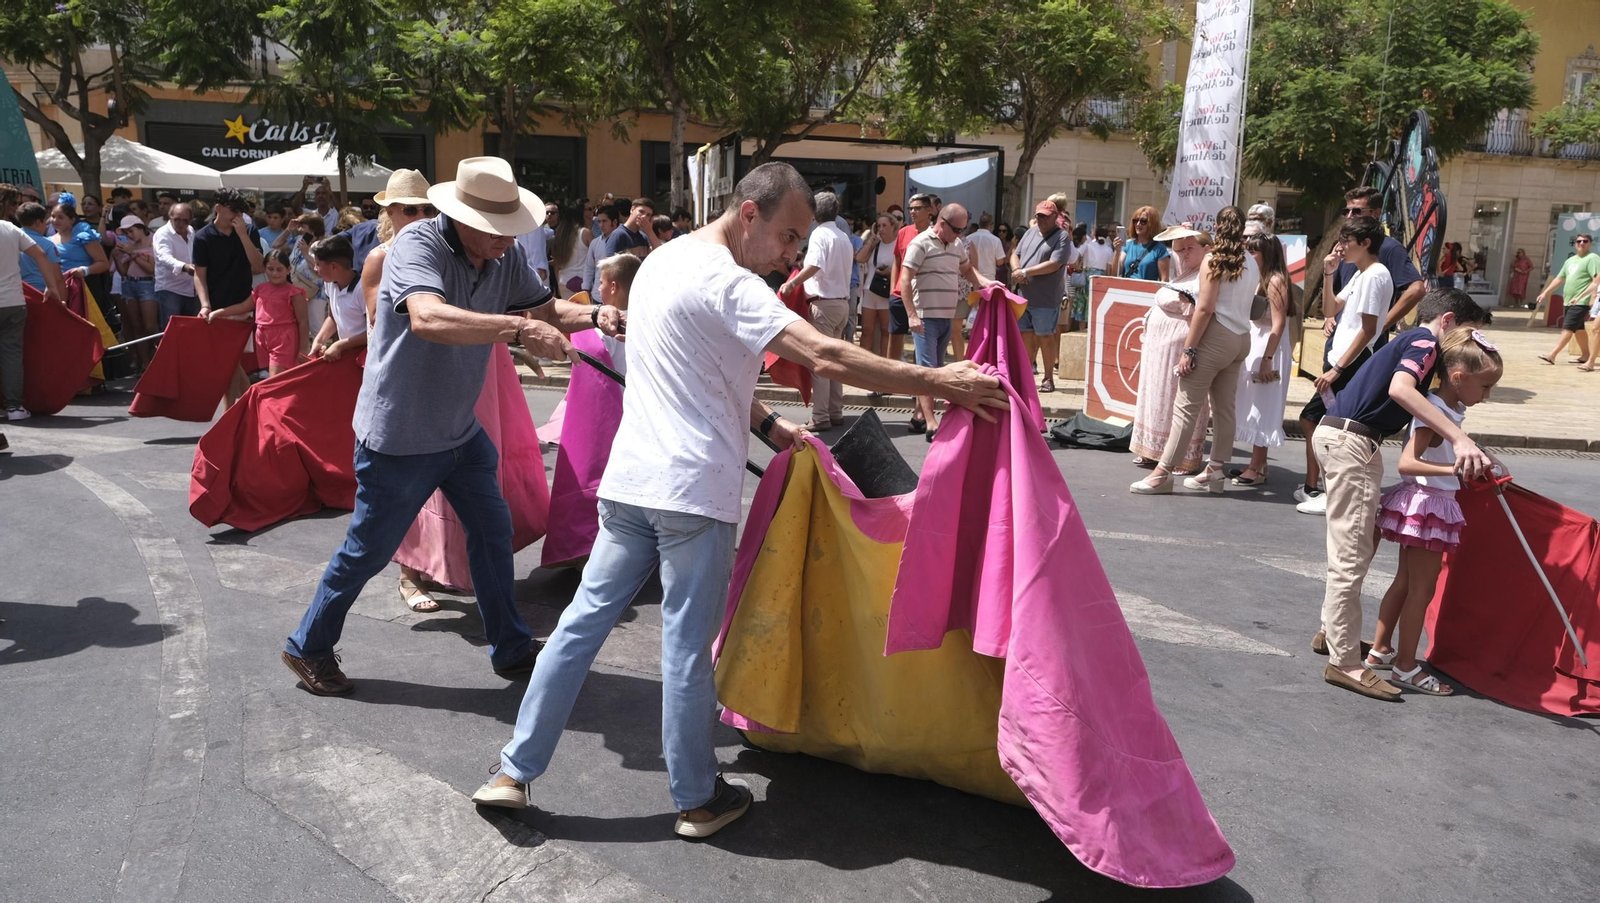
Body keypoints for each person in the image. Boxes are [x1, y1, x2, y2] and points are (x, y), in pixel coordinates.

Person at [473, 161, 1008, 839]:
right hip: (694, 491)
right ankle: (697, 796)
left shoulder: (663, 262)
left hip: (632, 483)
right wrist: (941, 380)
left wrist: (766, 425)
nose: (792, 253)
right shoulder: (730, 283)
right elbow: (827, 355)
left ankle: (512, 771)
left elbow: (692, 367)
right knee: (688, 651)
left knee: (580, 627)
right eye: (788, 236)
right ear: (748, 214)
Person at [281, 156, 625, 697]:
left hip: (459, 431)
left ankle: (510, 646)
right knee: (368, 550)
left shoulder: (499, 255)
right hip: (401, 434)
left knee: (492, 532)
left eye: (513, 230)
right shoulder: (416, 247)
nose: (509, 243)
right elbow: (427, 318)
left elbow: (546, 308)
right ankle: (308, 644)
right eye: (498, 232)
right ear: (463, 218)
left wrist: (599, 314)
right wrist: (516, 329)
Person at [1309, 288, 1492, 700]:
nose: (1464, 348)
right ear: (1446, 321)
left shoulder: (1412, 340)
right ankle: (1345, 663)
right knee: (1351, 556)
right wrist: (1459, 439)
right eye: (1466, 334)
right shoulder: (1426, 341)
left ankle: (1332, 634)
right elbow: (1400, 390)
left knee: (1355, 547)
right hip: (1352, 442)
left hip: (1352, 439)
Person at [1363, 328, 1502, 696]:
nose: (1487, 396)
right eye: (1485, 387)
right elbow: (1408, 463)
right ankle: (1407, 667)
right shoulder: (1434, 412)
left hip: (1424, 503)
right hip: (1430, 505)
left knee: (1406, 583)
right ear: (1458, 379)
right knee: (1421, 590)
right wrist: (1457, 470)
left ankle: (1380, 650)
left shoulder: (1445, 409)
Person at [1294, 187, 1423, 515]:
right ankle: (1328, 488)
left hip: (1352, 360)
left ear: (1366, 240)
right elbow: (1330, 309)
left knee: (1321, 421)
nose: (1341, 245)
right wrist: (1327, 273)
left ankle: (1332, 490)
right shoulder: (1362, 273)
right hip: (1342, 356)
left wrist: (1338, 368)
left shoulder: (1377, 273)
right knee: (1333, 425)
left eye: (1347, 238)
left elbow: (1368, 329)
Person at [1130, 206, 1258, 495]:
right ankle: (1214, 470)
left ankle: (1162, 474)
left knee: (1185, 408)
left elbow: (1205, 308)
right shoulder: (1251, 260)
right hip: (1240, 338)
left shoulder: (1213, 259)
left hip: (1217, 336)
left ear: (1217, 227)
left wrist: (1189, 350)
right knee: (1225, 408)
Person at [903, 203, 994, 440]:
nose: (960, 235)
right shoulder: (920, 243)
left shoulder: (955, 245)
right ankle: (932, 423)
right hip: (925, 317)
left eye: (963, 230)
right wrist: (912, 315)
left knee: (936, 368)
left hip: (946, 316)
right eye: (957, 230)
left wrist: (986, 283)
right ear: (942, 223)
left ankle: (918, 417)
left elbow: (967, 269)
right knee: (928, 371)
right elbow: (904, 280)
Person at [1129, 226, 1211, 470]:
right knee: (1155, 395)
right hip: (1158, 347)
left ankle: (1183, 456)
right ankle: (1152, 449)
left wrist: (1190, 350)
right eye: (1180, 249)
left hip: (1181, 346)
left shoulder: (1204, 275)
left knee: (1179, 399)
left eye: (1190, 248)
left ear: (1205, 250)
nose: (1184, 253)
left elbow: (1204, 312)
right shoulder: (1182, 274)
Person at [781, 191, 853, 431]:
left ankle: (821, 416)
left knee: (821, 362)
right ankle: (835, 411)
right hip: (842, 303)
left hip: (823, 303)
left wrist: (792, 282)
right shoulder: (843, 236)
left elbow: (815, 265)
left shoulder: (819, 234)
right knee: (836, 361)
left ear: (814, 213)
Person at [1229, 230, 1294, 488]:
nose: (1248, 254)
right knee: (1253, 407)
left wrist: (1267, 358)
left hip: (1270, 349)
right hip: (1258, 346)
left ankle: (1256, 467)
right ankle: (1258, 464)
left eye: (1253, 251)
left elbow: (1278, 325)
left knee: (1262, 410)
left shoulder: (1276, 281)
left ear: (1266, 254)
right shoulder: (1257, 278)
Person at [193, 188, 265, 408]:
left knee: (230, 360)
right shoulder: (203, 236)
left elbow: (259, 265)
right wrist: (205, 304)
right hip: (215, 307)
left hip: (242, 304)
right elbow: (199, 274)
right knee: (229, 361)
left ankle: (237, 410)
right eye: (233, 210)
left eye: (241, 211)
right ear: (218, 208)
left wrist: (243, 235)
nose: (237, 215)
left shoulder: (249, 231)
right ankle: (251, 407)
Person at [2, 209, 69, 421]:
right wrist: (51, 286)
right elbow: (40, 253)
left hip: (13, 301)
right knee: (12, 354)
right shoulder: (9, 228)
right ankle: (14, 407)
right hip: (13, 301)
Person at [205, 248, 309, 377]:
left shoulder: (294, 292)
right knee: (275, 379)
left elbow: (303, 321)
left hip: (284, 338)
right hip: (262, 337)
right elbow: (244, 306)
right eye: (270, 269)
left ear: (288, 270)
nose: (275, 273)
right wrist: (219, 312)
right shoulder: (260, 288)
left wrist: (303, 349)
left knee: (275, 379)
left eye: (279, 269)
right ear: (264, 269)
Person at [1010, 200, 1073, 392]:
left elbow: (1055, 264)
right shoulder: (1029, 232)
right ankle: (1026, 377)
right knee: (1025, 336)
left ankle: (1048, 379)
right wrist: (1017, 270)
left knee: (1046, 337)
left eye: (1046, 216)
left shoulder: (1062, 237)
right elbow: (1015, 253)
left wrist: (1026, 272)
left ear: (1055, 217)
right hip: (1024, 297)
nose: (1042, 219)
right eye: (1039, 215)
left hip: (1046, 299)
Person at [1535, 234, 1600, 366]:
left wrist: (1592, 298)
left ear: (1590, 243)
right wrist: (1546, 292)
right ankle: (1585, 355)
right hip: (1569, 300)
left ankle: (1552, 355)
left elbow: (1596, 280)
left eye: (1585, 241)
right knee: (1579, 329)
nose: (1581, 243)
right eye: (1578, 241)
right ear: (1575, 243)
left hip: (1582, 301)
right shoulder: (1570, 260)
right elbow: (1559, 279)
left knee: (1568, 328)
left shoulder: (1593, 258)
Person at [889, 194, 938, 368]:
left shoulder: (934, 235)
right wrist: (893, 289)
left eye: (918, 208)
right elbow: (897, 261)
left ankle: (917, 384)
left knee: (922, 339)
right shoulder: (903, 232)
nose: (913, 212)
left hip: (923, 294)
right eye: (911, 208)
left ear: (929, 211)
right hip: (900, 292)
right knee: (895, 336)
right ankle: (889, 379)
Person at [305, 234, 368, 364]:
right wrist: (319, 340)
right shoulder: (329, 283)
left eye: (317, 264)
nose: (315, 269)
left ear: (334, 266)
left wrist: (339, 345)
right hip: (347, 356)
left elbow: (375, 332)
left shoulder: (363, 290)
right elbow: (332, 317)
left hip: (365, 358)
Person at [112, 215, 158, 369]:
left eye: (131, 231)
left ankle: (160, 358)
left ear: (140, 227)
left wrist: (133, 253)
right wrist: (117, 257)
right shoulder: (130, 246)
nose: (129, 236)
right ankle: (145, 364)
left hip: (147, 285)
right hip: (129, 284)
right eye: (125, 233)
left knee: (151, 326)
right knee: (136, 325)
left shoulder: (153, 243)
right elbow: (124, 272)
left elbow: (151, 270)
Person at [49, 199, 111, 303]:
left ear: (71, 220)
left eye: (60, 217)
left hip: (85, 287)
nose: (55, 220)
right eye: (53, 216)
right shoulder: (49, 240)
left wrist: (85, 270)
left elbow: (104, 263)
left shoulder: (84, 237)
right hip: (60, 288)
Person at [856, 213, 897, 359]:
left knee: (886, 330)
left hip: (887, 291)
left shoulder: (897, 244)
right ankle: (863, 363)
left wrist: (889, 272)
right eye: (879, 225)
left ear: (893, 226)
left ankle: (884, 364)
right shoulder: (876, 244)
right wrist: (872, 240)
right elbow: (859, 258)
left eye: (885, 225)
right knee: (867, 330)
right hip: (870, 290)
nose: (881, 229)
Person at [152, 203, 199, 328]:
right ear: (170, 216)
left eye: (185, 221)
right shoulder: (162, 233)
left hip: (191, 289)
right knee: (171, 329)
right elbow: (163, 257)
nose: (180, 224)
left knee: (190, 329)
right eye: (177, 219)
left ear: (191, 220)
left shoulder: (191, 231)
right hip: (170, 289)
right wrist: (184, 267)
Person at [289, 213, 328, 337]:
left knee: (316, 330)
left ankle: (317, 355)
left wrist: (306, 253)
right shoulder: (298, 242)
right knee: (298, 327)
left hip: (316, 293)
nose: (299, 229)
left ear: (313, 228)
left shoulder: (322, 245)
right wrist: (288, 230)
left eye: (303, 226)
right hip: (297, 291)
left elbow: (321, 270)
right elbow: (276, 245)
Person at [1112, 205, 1170, 281]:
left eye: (1143, 221)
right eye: (1135, 221)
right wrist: (1117, 251)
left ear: (1152, 224)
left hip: (1147, 291)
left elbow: (1164, 280)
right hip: (1126, 290)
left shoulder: (1160, 249)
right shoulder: (1128, 245)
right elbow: (1115, 273)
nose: (1138, 224)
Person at [550, 204, 589, 298]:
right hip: (582, 281)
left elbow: (556, 264)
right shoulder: (585, 233)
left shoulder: (559, 236)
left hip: (564, 281)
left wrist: (558, 286)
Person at [582, 206, 618, 295]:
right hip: (598, 294)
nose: (601, 225)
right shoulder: (595, 243)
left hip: (617, 294)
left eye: (604, 221)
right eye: (599, 221)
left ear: (614, 222)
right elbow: (589, 267)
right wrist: (585, 288)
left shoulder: (623, 241)